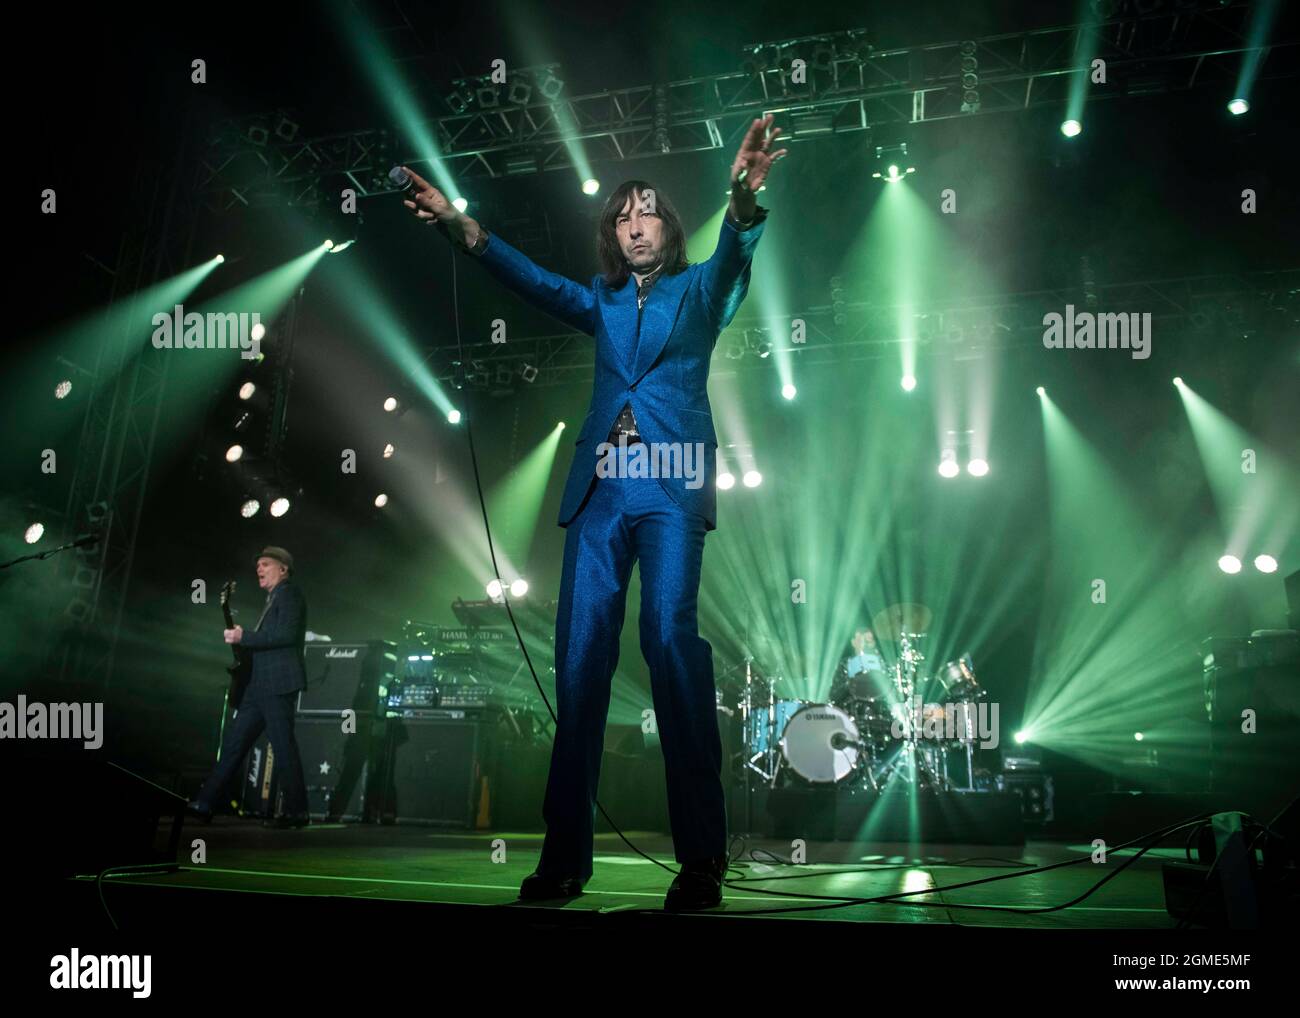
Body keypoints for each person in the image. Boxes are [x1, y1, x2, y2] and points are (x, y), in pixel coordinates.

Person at [402, 114, 786, 910]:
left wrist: (744, 200)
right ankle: (564, 860)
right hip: (602, 488)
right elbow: (532, 279)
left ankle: (702, 859)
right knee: (579, 667)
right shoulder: (604, 300)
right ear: (613, 235)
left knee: (669, 641)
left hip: (671, 482)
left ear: (668, 226)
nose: (634, 221)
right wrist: (458, 226)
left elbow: (737, 257)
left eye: (646, 209)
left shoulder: (697, 290)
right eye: (621, 214)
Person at [187, 546, 311, 829]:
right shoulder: (274, 598)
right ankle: (204, 802)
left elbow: (286, 635)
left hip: (277, 683)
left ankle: (297, 811)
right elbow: (268, 638)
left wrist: (246, 637)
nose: (259, 569)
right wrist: (244, 641)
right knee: (234, 744)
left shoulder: (289, 593)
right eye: (258, 565)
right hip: (258, 686)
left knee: (282, 747)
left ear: (283, 569)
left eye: (266, 564)